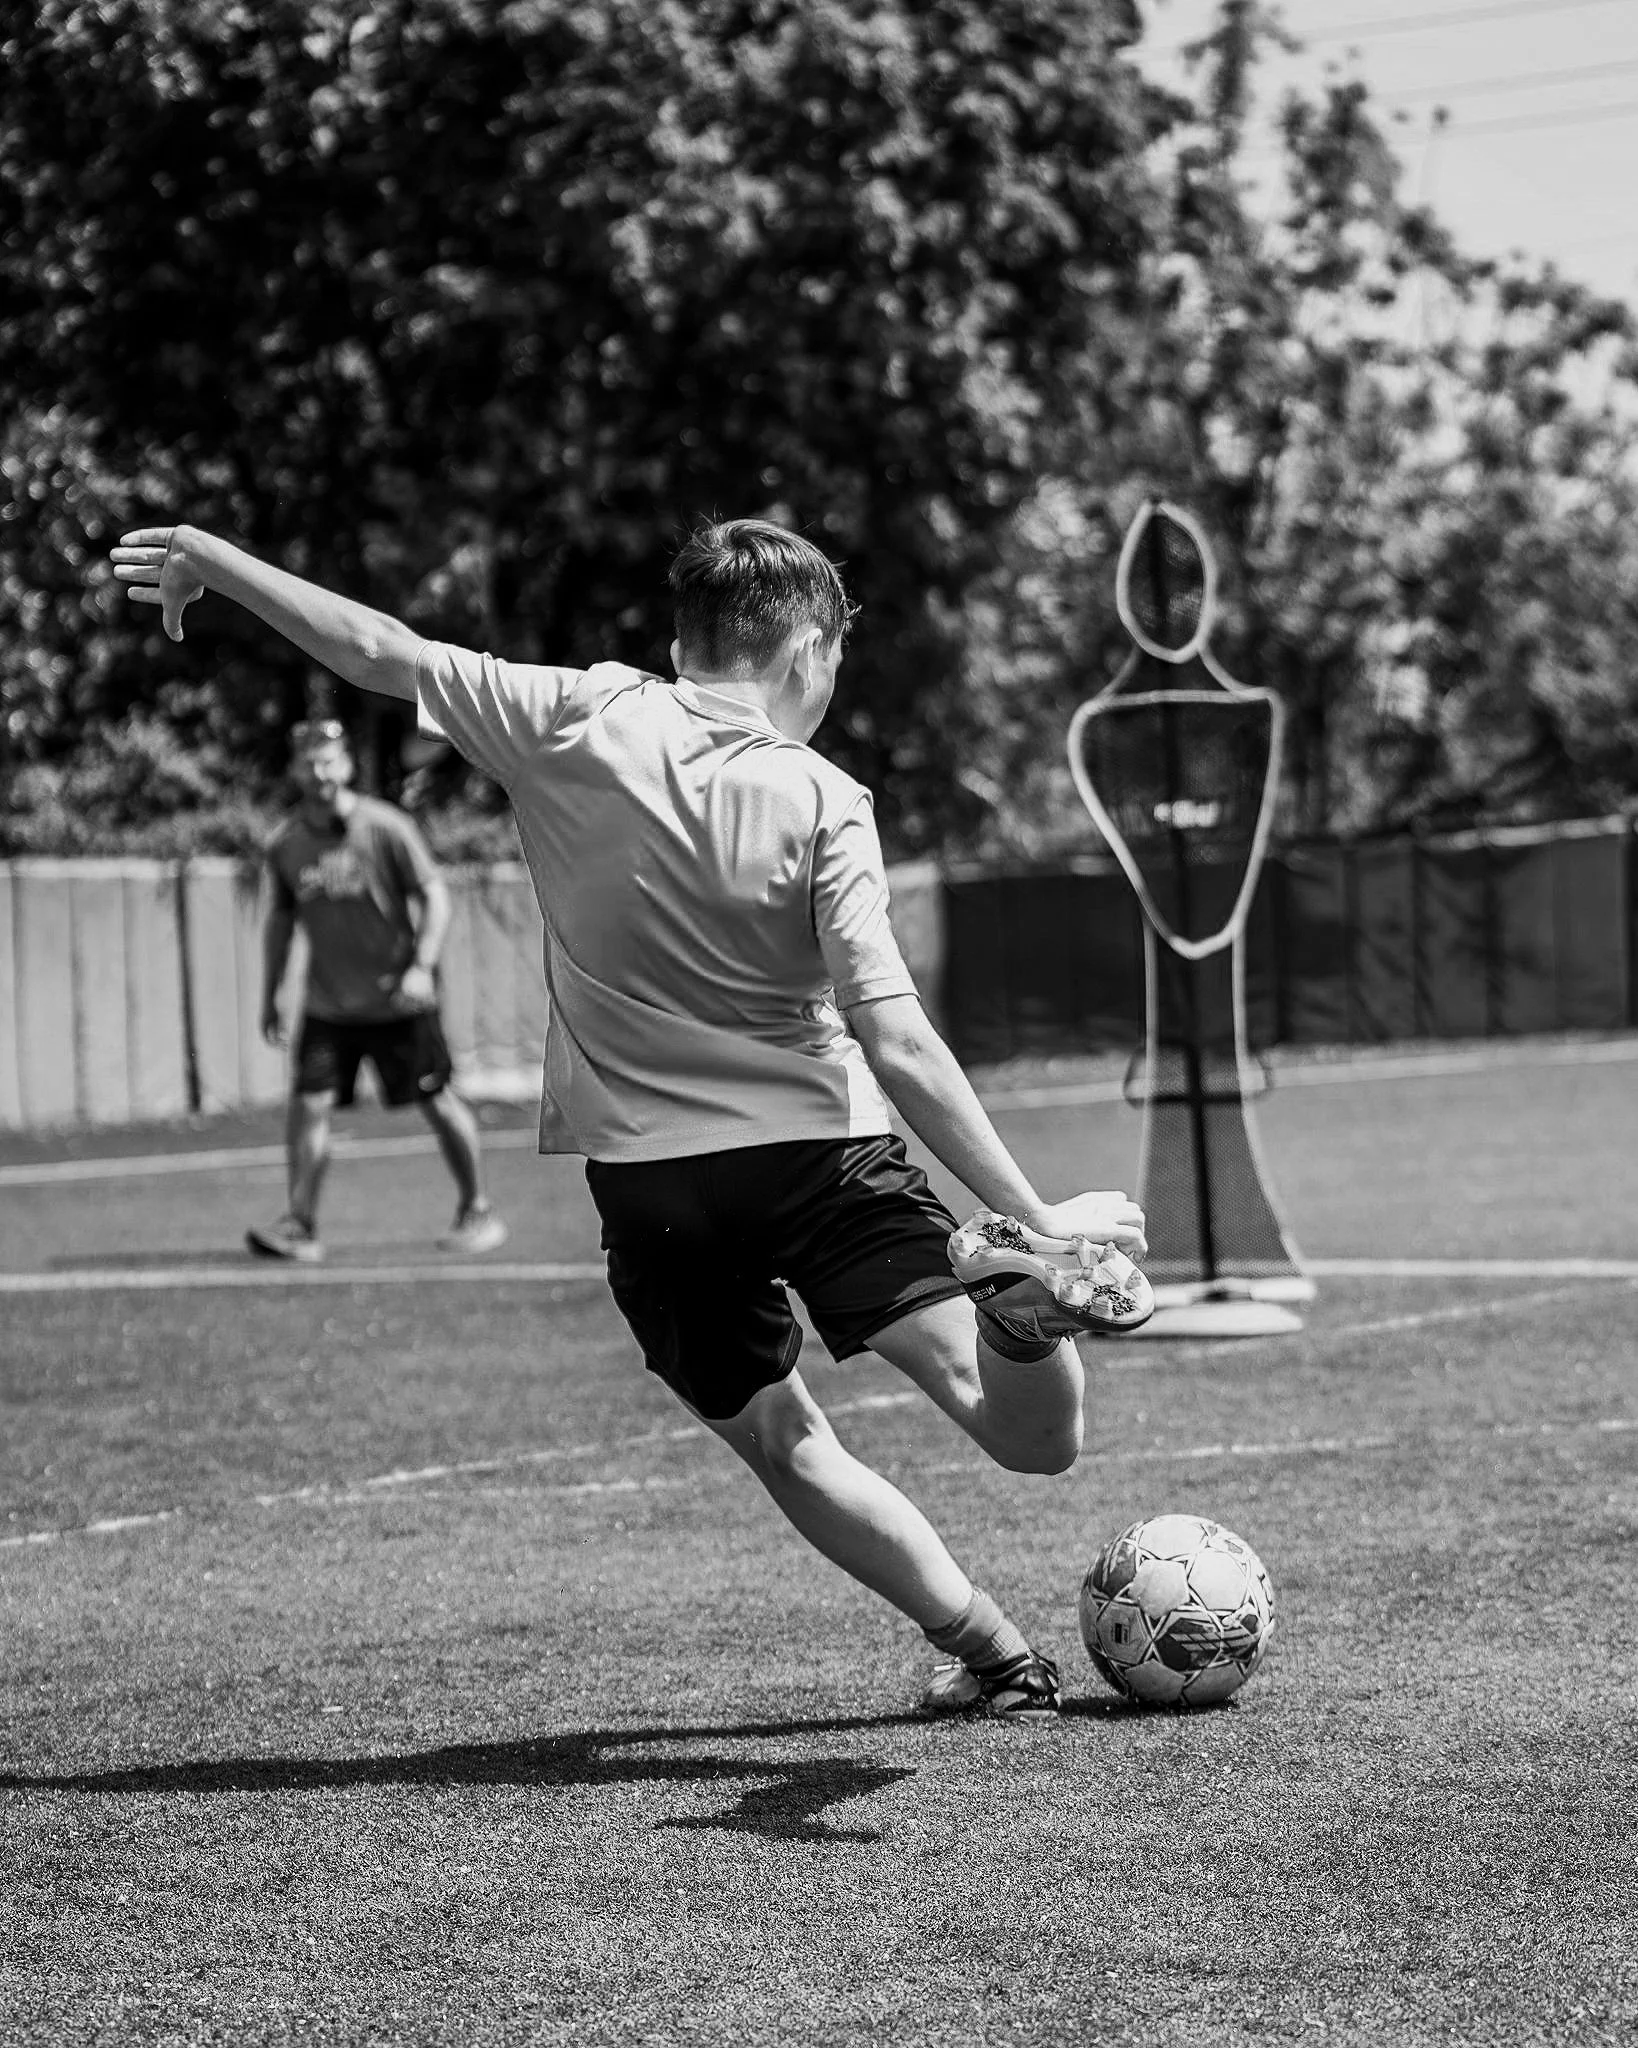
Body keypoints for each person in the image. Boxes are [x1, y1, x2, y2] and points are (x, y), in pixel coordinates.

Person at [111, 517, 1150, 1719]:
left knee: (786, 1440)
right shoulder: (822, 795)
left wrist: (212, 556)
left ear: (679, 638)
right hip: (821, 1156)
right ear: (807, 649)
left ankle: (991, 1650)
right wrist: (1028, 1215)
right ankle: (1023, 1314)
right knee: (1026, 1440)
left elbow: (377, 648)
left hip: (653, 1188)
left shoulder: (572, 715)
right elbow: (894, 1032)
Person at [249, 716, 509, 1264]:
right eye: (308, 761)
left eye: (329, 759)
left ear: (345, 765)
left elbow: (436, 896)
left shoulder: (385, 827)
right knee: (309, 1106)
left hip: (398, 1000)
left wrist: (422, 966)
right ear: (296, 770)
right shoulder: (287, 844)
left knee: (437, 1103)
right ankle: (300, 1225)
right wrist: (271, 992)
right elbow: (280, 920)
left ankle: (477, 1208)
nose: (319, 771)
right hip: (327, 1007)